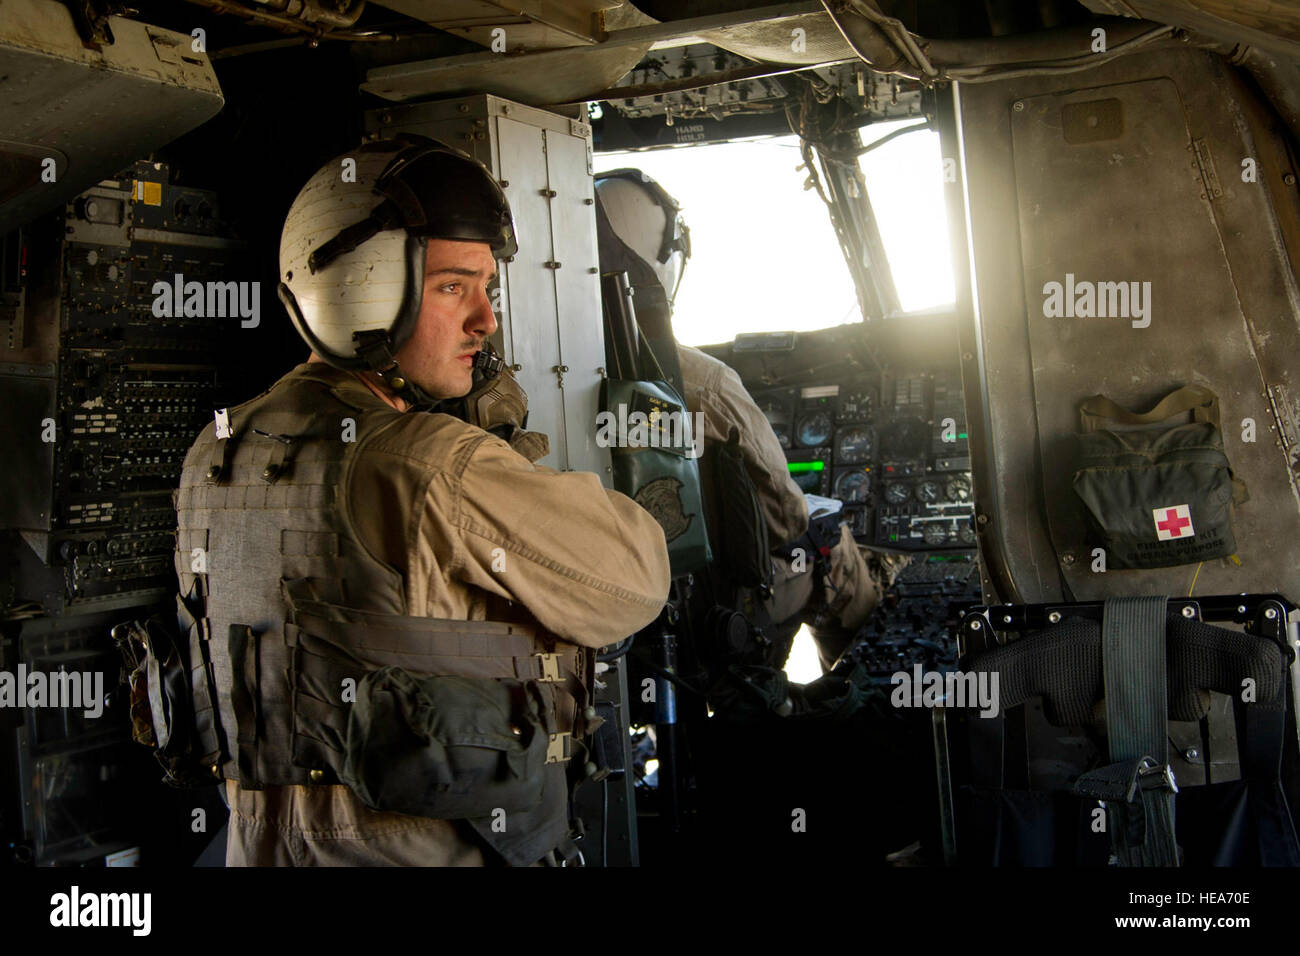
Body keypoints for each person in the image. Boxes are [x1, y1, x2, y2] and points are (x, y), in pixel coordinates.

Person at [173, 135, 671, 866]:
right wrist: (503, 447)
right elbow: (633, 580)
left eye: (487, 289)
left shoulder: (212, 452)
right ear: (363, 291)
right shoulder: (436, 463)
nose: (486, 321)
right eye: (452, 287)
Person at [594, 169, 903, 673]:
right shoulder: (703, 383)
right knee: (831, 548)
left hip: (618, 626)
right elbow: (786, 519)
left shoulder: (545, 382)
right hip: (711, 612)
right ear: (663, 261)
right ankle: (854, 700)